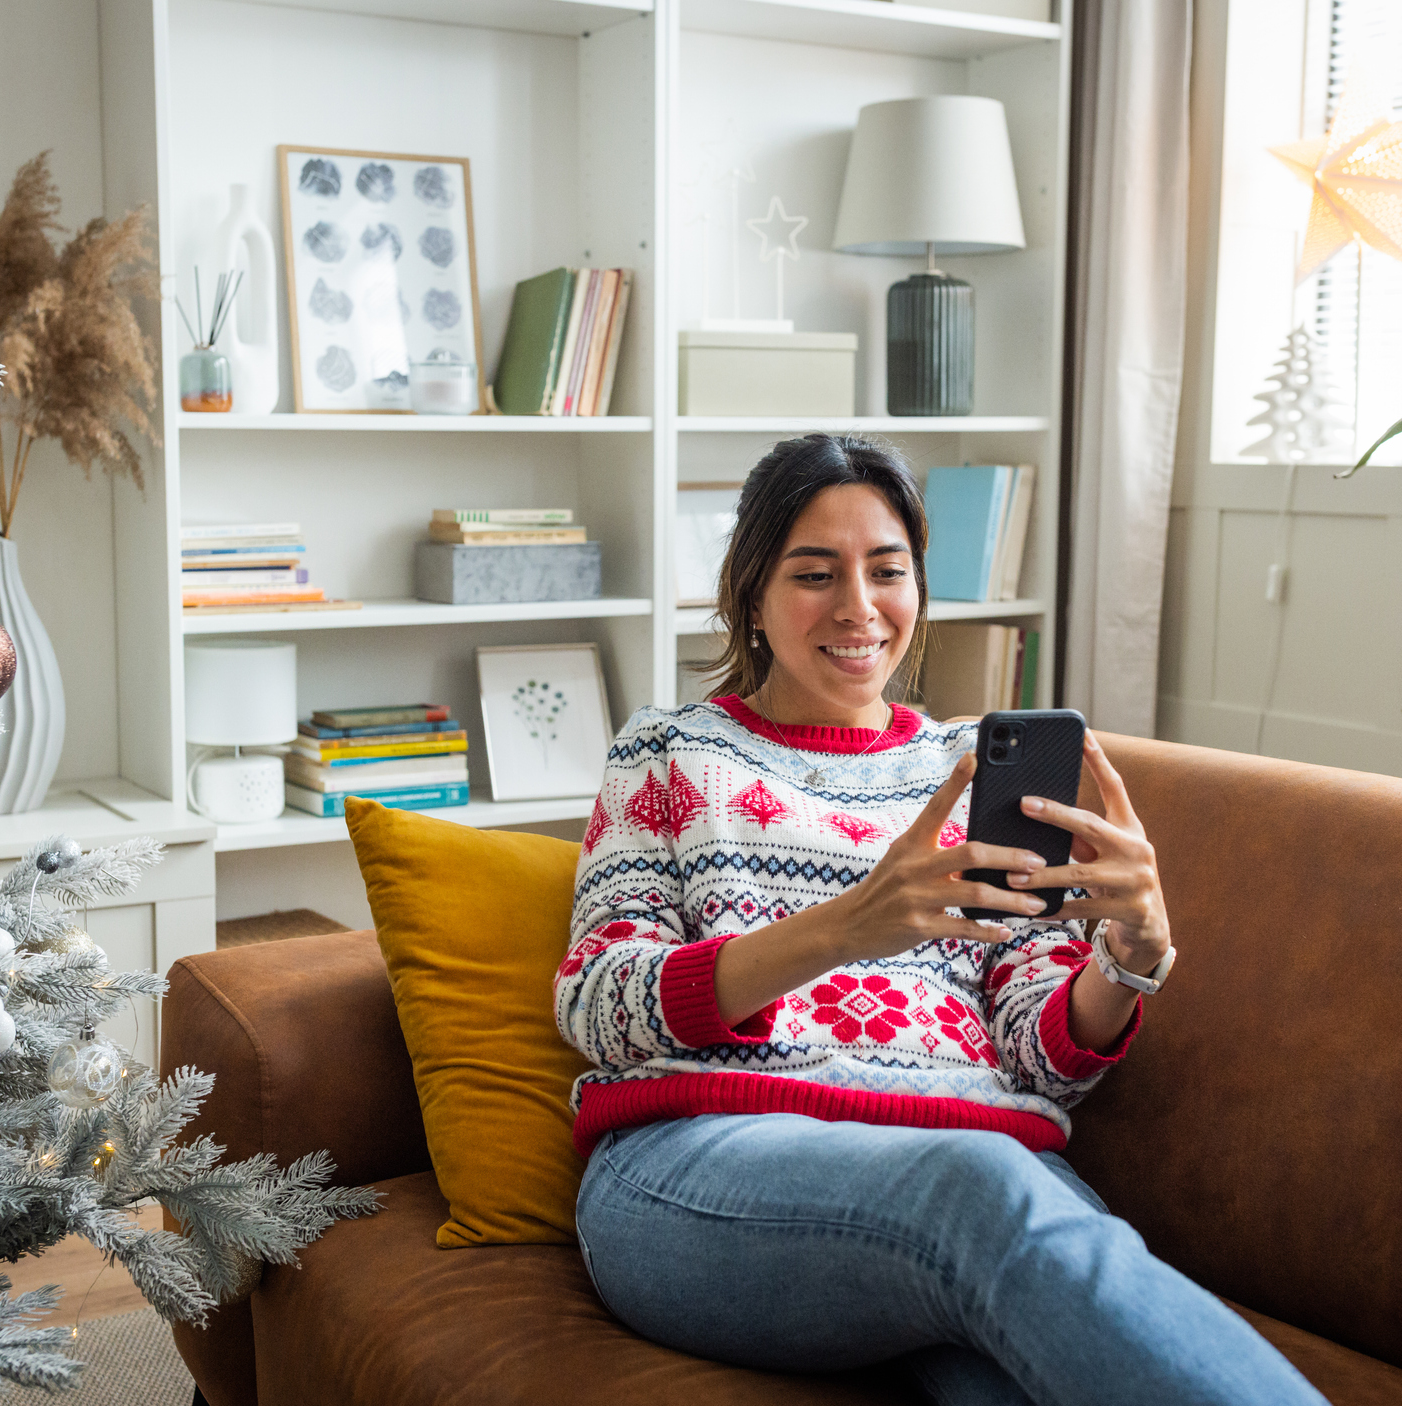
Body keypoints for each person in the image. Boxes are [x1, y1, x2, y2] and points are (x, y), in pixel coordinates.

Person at [554, 435, 1325, 1406]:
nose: (856, 606)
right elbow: (597, 1002)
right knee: (980, 1186)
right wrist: (844, 927)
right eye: (812, 573)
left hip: (965, 1159)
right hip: (701, 1171)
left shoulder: (970, 769)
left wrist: (1126, 957)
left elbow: (1037, 1057)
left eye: (886, 570)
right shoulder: (669, 751)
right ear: (749, 591)